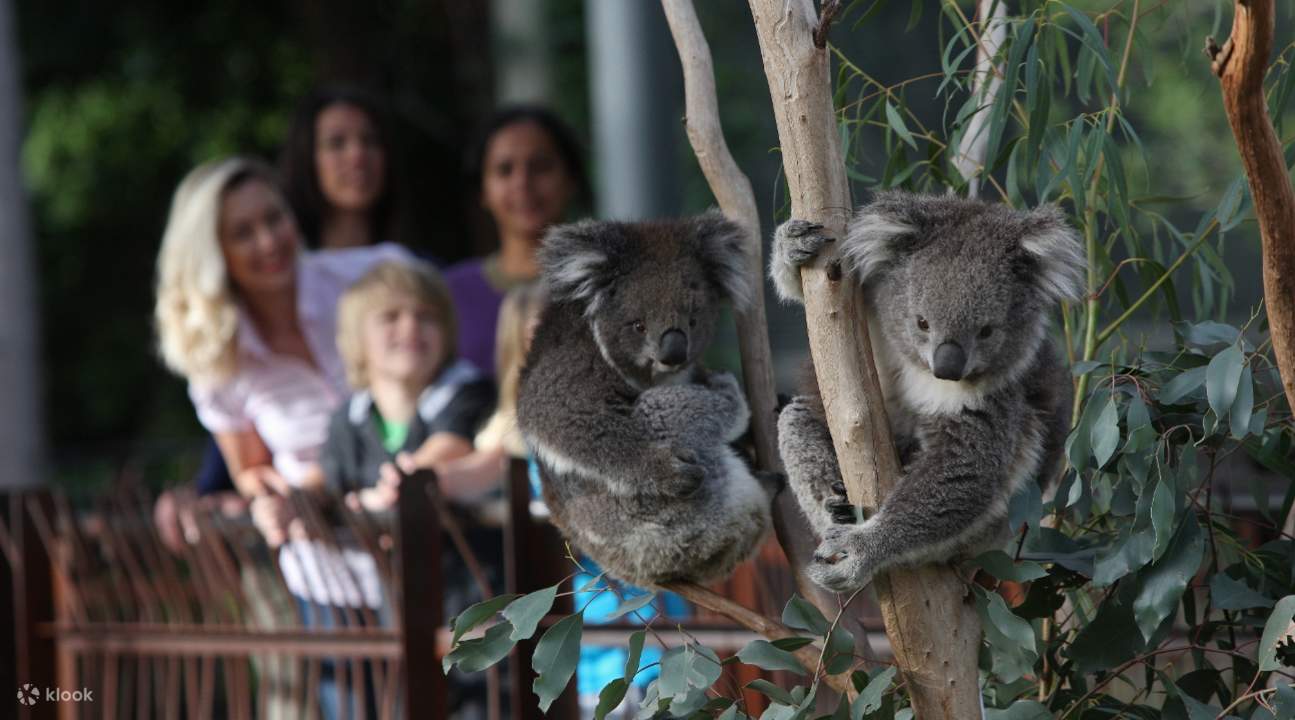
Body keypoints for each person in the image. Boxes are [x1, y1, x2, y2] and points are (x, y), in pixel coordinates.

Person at [321, 260, 495, 509]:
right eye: (390, 316)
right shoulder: (346, 419)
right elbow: (330, 485)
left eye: (426, 316)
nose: (411, 327)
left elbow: (451, 445)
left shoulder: (469, 390)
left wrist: (391, 491)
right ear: (355, 338)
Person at [445, 106, 590, 377]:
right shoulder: (450, 294)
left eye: (540, 166)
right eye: (504, 170)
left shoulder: (600, 287)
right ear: (483, 190)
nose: (522, 182)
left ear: (571, 179)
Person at [281, 87, 399, 250]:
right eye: (337, 143)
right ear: (306, 156)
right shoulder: (285, 272)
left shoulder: (417, 269)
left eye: (370, 140)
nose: (357, 155)